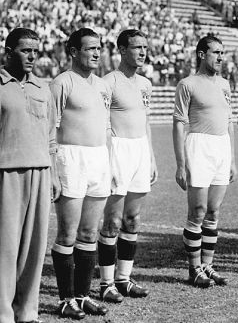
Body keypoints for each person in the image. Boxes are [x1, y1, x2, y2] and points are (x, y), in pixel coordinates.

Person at [0, 28, 59, 323]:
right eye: (25, 50)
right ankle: (1, 315)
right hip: (4, 176)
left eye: (35, 50)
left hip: (41, 174)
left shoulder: (43, 89)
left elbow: (50, 139)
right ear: (8, 52)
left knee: (34, 250)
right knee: (3, 251)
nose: (32, 56)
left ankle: (27, 312)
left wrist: (54, 175)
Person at [50, 28, 111, 319]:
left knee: (89, 232)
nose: (96, 53)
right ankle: (65, 299)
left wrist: (109, 163)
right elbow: (49, 129)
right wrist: (52, 170)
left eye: (99, 48)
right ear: (73, 51)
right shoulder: (62, 82)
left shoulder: (102, 85)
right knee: (68, 233)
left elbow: (105, 126)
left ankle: (83, 295)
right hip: (71, 158)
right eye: (90, 48)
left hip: (99, 158)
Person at [98, 29, 157, 303]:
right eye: (136, 47)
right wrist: (108, 159)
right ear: (122, 49)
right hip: (117, 150)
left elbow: (145, 122)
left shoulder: (146, 84)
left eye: (145, 47)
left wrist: (152, 156)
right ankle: (106, 283)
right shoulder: (108, 82)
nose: (143, 52)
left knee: (132, 219)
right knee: (112, 221)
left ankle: (123, 278)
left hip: (140, 151)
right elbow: (103, 124)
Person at [173, 36, 236, 288]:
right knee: (197, 212)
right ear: (201, 54)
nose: (220, 57)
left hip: (221, 146)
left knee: (214, 212)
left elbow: (229, 121)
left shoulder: (225, 84)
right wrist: (180, 163)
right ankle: (194, 268)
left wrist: (231, 159)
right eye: (215, 52)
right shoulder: (187, 84)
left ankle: (208, 264)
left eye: (222, 53)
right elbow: (179, 124)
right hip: (198, 145)